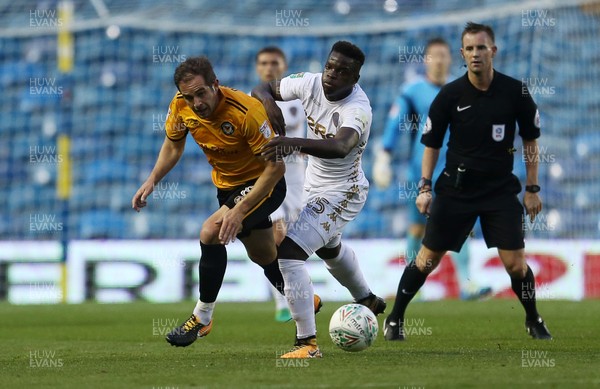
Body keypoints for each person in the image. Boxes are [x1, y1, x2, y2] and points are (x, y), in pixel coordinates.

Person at [383, 22, 552, 341]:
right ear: (463, 54)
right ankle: (395, 318)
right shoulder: (449, 95)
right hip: (456, 190)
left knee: (515, 264)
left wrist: (532, 189)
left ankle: (533, 318)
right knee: (426, 259)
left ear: (493, 51)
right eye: (470, 49)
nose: (476, 53)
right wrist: (424, 186)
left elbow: (531, 141)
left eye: (482, 47)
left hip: (500, 190)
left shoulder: (516, 92)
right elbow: (430, 144)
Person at [131, 56, 289, 347]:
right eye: (189, 96)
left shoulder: (247, 111)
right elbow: (173, 145)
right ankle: (299, 295)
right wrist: (153, 179)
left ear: (215, 85)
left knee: (210, 232)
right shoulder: (180, 105)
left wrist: (240, 210)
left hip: (265, 184)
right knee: (263, 254)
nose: (196, 102)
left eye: (201, 93)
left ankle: (202, 317)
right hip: (227, 188)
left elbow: (276, 168)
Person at [253, 41, 387, 359]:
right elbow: (263, 87)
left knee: (287, 253)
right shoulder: (310, 81)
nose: (332, 75)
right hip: (314, 186)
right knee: (329, 248)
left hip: (344, 191)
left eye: (343, 71)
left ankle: (307, 344)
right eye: (330, 66)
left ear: (355, 78)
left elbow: (341, 146)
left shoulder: (358, 109)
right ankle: (366, 298)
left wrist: (290, 142)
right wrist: (268, 103)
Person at [372, 38, 492, 301]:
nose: (439, 60)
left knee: (462, 224)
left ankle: (467, 285)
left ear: (451, 59)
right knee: (417, 229)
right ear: (426, 60)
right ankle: (413, 285)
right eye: (434, 55)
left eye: (443, 55)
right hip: (422, 172)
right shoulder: (413, 91)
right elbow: (395, 122)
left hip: (457, 170)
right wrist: (384, 156)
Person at [255, 46, 307, 322]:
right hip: (270, 171)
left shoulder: (299, 97)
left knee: (295, 239)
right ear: (257, 68)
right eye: (263, 63)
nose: (269, 68)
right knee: (275, 233)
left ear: (284, 65)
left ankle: (298, 293)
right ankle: (282, 300)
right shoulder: (254, 101)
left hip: (298, 173)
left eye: (274, 62)